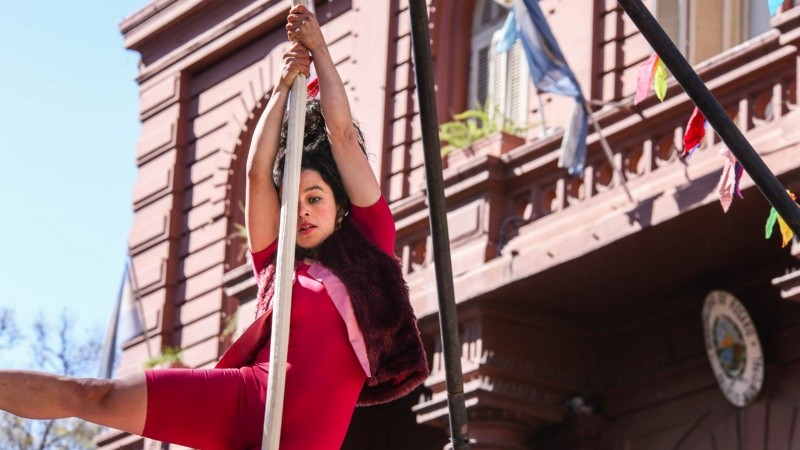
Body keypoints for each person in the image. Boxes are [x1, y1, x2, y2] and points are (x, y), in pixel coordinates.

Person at [0, 5, 428, 449]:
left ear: (341, 208)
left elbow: (341, 136)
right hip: (245, 398)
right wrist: (282, 89)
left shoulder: (371, 245)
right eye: (293, 203)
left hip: (308, 437)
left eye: (315, 199)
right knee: (96, 394)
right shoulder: (277, 264)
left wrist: (319, 49)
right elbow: (257, 174)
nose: (301, 211)